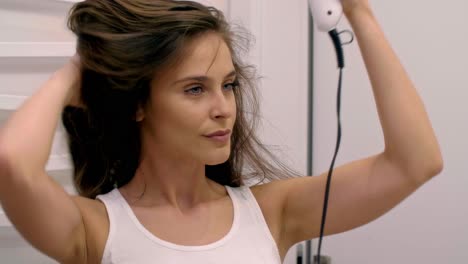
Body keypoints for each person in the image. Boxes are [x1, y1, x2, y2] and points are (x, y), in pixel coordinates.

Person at [0, 0, 443, 263]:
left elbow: (415, 162)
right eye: (195, 89)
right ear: (138, 104)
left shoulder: (273, 212)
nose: (224, 109)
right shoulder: (93, 229)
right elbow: (13, 164)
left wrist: (358, 13)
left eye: (228, 85)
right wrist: (75, 76)